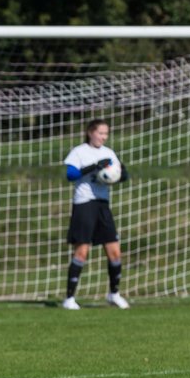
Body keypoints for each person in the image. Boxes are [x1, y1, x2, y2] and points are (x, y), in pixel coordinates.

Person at [62, 119, 129, 310]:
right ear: (90, 132)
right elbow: (70, 174)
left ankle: (113, 294)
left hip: (102, 204)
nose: (103, 137)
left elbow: (124, 175)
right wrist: (94, 167)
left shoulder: (109, 153)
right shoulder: (79, 151)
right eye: (100, 133)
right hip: (84, 204)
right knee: (82, 251)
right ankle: (69, 298)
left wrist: (119, 173)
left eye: (106, 134)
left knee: (115, 252)